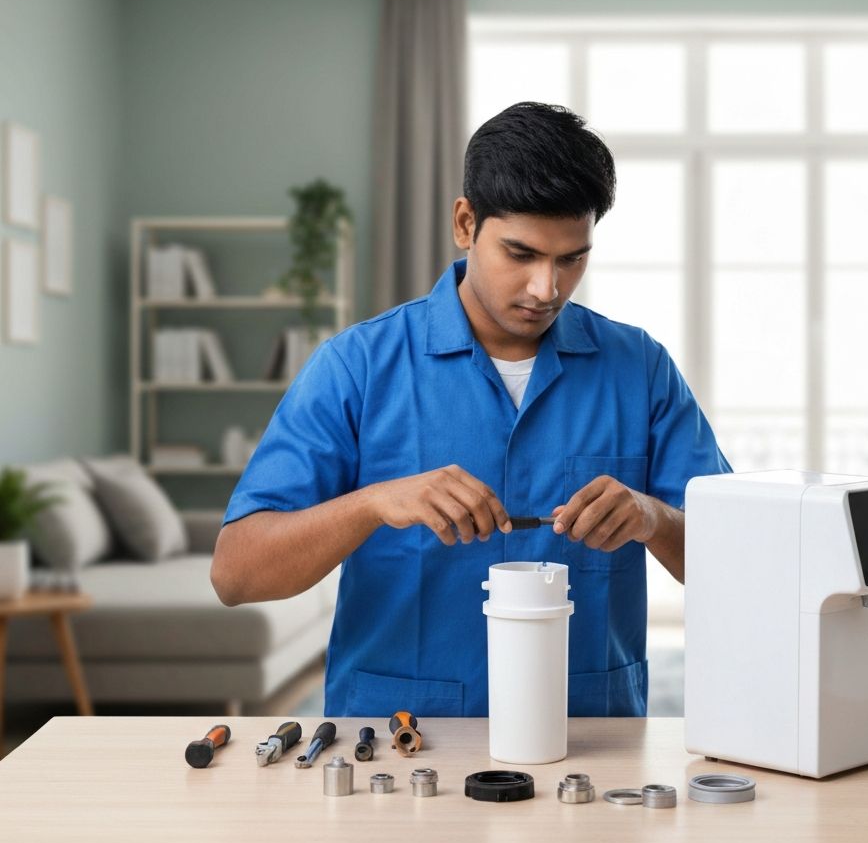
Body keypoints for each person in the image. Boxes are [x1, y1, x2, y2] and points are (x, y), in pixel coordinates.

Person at [211, 101, 730, 718]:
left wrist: (652, 518)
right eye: (521, 254)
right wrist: (374, 503)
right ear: (465, 223)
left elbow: (736, 565)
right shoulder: (357, 366)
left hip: (592, 737)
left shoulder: (639, 368)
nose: (548, 288)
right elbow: (236, 574)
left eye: (572, 258)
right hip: (397, 741)